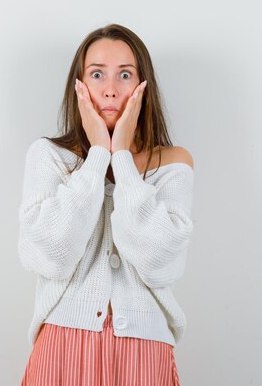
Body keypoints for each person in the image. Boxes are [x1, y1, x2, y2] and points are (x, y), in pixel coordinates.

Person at [17, 23, 195, 386]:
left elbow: (161, 262)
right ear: (79, 86)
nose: (110, 90)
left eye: (125, 75)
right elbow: (53, 254)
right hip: (63, 347)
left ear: (142, 86)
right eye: (97, 74)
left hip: (145, 352)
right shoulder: (48, 157)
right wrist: (99, 155)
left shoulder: (173, 162)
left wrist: (123, 163)